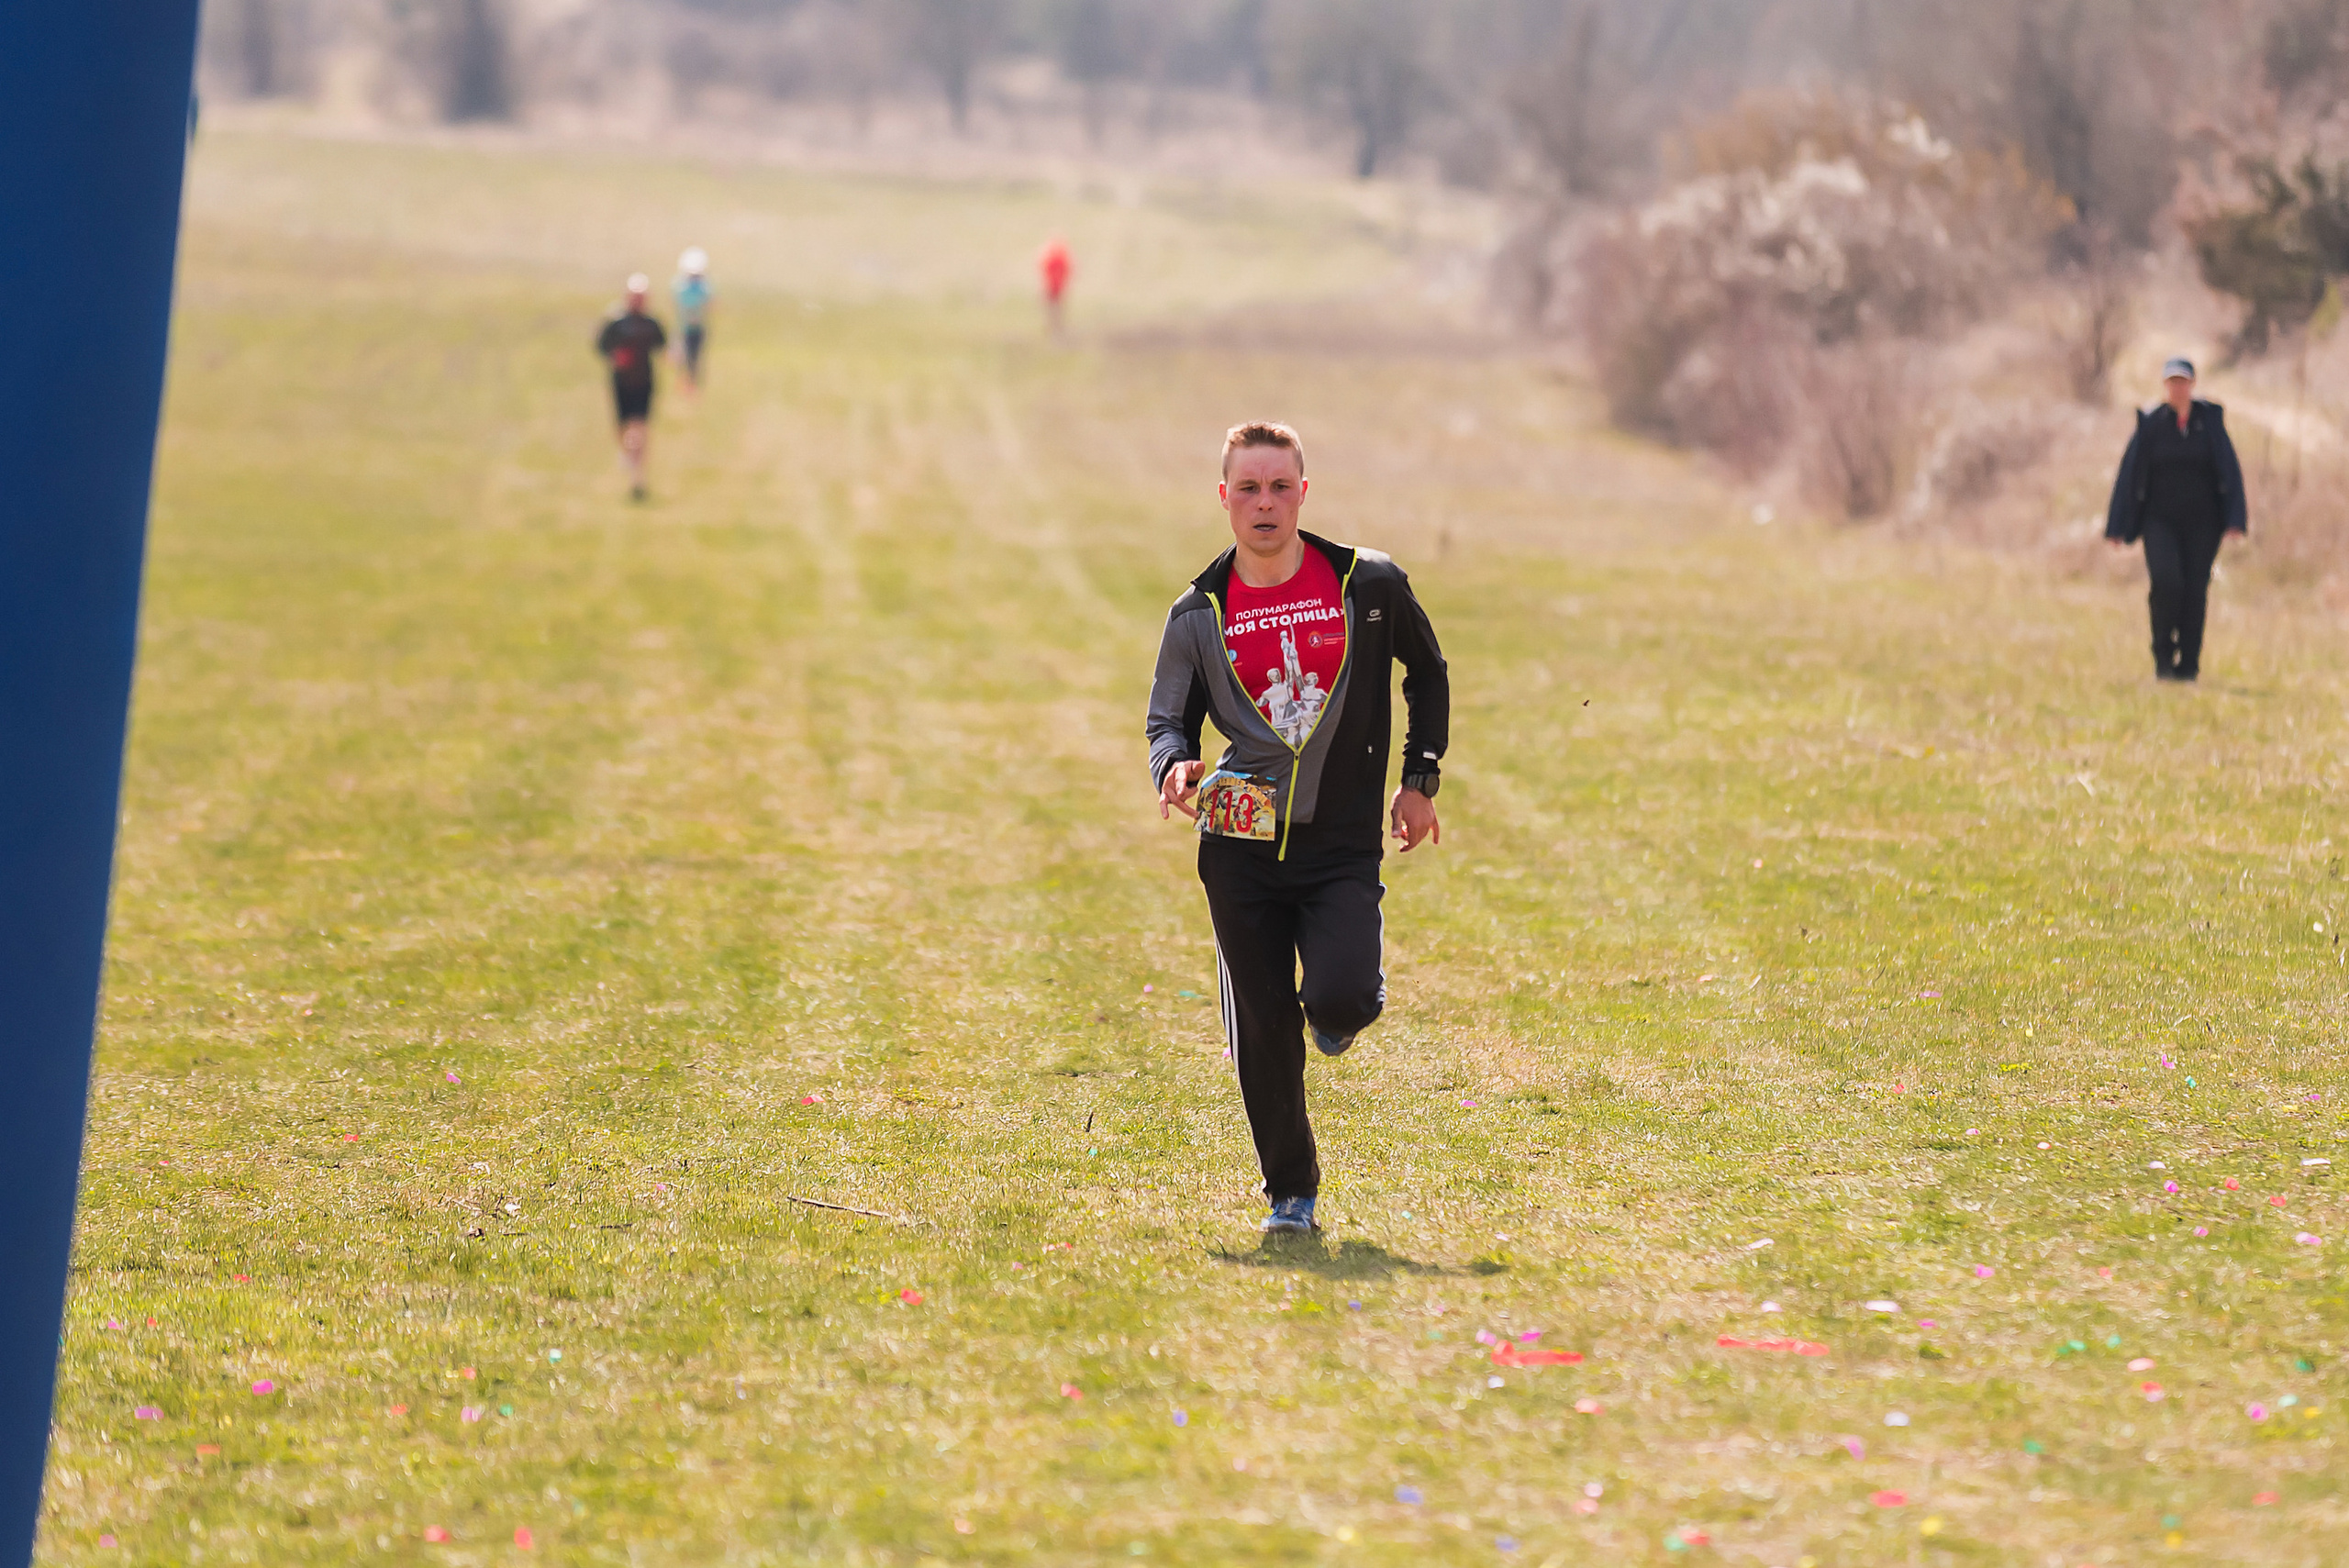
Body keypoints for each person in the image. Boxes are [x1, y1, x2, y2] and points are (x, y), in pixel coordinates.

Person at [1146, 421, 1449, 1236]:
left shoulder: (1366, 584)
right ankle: (1291, 1193)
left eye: (1280, 487)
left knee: (1343, 995)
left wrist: (1419, 780)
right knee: (1264, 1024)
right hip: (1238, 852)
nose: (1265, 503)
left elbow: (1427, 672)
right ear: (1224, 498)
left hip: (1339, 843)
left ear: (1303, 493)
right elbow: (1166, 720)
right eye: (1248, 488)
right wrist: (1172, 767)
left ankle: (1335, 1013)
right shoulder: (1198, 612)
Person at [2105, 357, 2248, 682]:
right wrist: (2117, 526)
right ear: (2165, 386)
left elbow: (2229, 470)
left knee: (2195, 589)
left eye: (2183, 382)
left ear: (2192, 385)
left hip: (2203, 523)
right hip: (2159, 521)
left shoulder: (2209, 423)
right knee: (2166, 582)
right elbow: (2129, 474)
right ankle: (2163, 658)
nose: (2178, 388)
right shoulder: (2152, 423)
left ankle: (2189, 665)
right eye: (2172, 382)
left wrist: (2235, 519)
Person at [596, 274, 667, 501]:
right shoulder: (616, 322)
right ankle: (630, 459)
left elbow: (662, 346)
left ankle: (638, 478)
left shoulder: (651, 323)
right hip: (621, 382)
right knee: (623, 429)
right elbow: (601, 346)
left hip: (644, 382)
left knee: (639, 428)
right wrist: (615, 357)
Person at [672, 248, 713, 394]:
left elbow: (709, 304)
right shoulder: (681, 287)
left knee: (694, 357)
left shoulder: (703, 287)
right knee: (682, 356)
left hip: (697, 329)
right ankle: (685, 383)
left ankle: (691, 384)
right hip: (684, 328)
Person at [1038, 237, 1072, 338]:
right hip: (1055, 287)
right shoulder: (1060, 258)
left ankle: (1054, 327)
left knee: (1053, 309)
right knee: (1056, 309)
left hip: (1054, 287)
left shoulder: (1050, 258)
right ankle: (1055, 327)